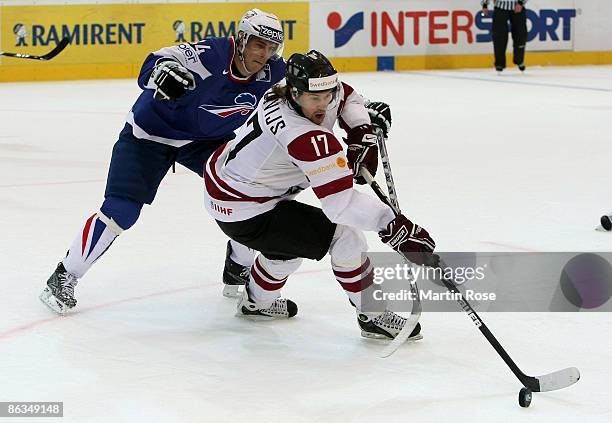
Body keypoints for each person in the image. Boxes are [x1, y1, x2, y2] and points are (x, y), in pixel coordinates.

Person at [40, 9, 286, 314]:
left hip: (204, 142)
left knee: (247, 193)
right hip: (150, 135)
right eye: (258, 44)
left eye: (271, 47)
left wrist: (353, 113)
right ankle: (65, 275)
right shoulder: (211, 55)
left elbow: (309, 96)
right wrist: (162, 71)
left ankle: (238, 267)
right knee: (121, 210)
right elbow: (155, 61)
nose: (264, 54)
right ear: (242, 40)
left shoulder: (274, 73)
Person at [203, 50, 436, 340]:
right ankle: (374, 316)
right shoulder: (302, 135)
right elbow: (340, 205)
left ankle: (256, 303)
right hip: (246, 207)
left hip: (231, 188)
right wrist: (393, 225)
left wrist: (361, 128)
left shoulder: (285, 91)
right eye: (315, 99)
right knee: (346, 238)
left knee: (285, 252)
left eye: (327, 96)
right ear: (296, 92)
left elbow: (347, 96)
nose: (324, 106)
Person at [481, 0, 528, 72]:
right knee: (499, 36)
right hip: (500, 7)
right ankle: (499, 63)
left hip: (518, 7)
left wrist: (521, 2)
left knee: (520, 34)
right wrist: (484, 4)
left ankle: (519, 59)